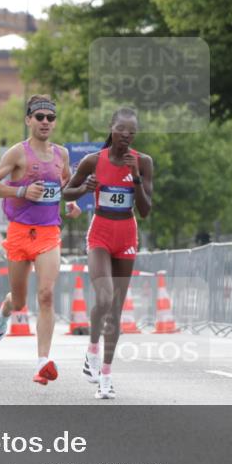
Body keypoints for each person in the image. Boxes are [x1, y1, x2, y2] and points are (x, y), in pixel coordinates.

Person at [0, 95, 82, 385]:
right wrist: (21, 192)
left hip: (49, 233)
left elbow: (66, 185)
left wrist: (71, 205)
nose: (46, 122)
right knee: (21, 300)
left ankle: (42, 363)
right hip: (20, 232)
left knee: (46, 295)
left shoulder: (62, 154)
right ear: (28, 120)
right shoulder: (17, 154)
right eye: (39, 117)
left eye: (50, 117)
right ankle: (4, 312)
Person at [62, 107, 153, 399]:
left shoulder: (143, 162)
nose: (126, 135)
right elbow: (66, 192)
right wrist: (84, 188)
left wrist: (136, 177)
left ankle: (106, 376)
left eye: (132, 131)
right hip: (100, 233)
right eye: (121, 129)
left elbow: (146, 210)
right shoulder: (93, 160)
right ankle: (91, 351)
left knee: (115, 311)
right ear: (111, 128)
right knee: (103, 297)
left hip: (126, 235)